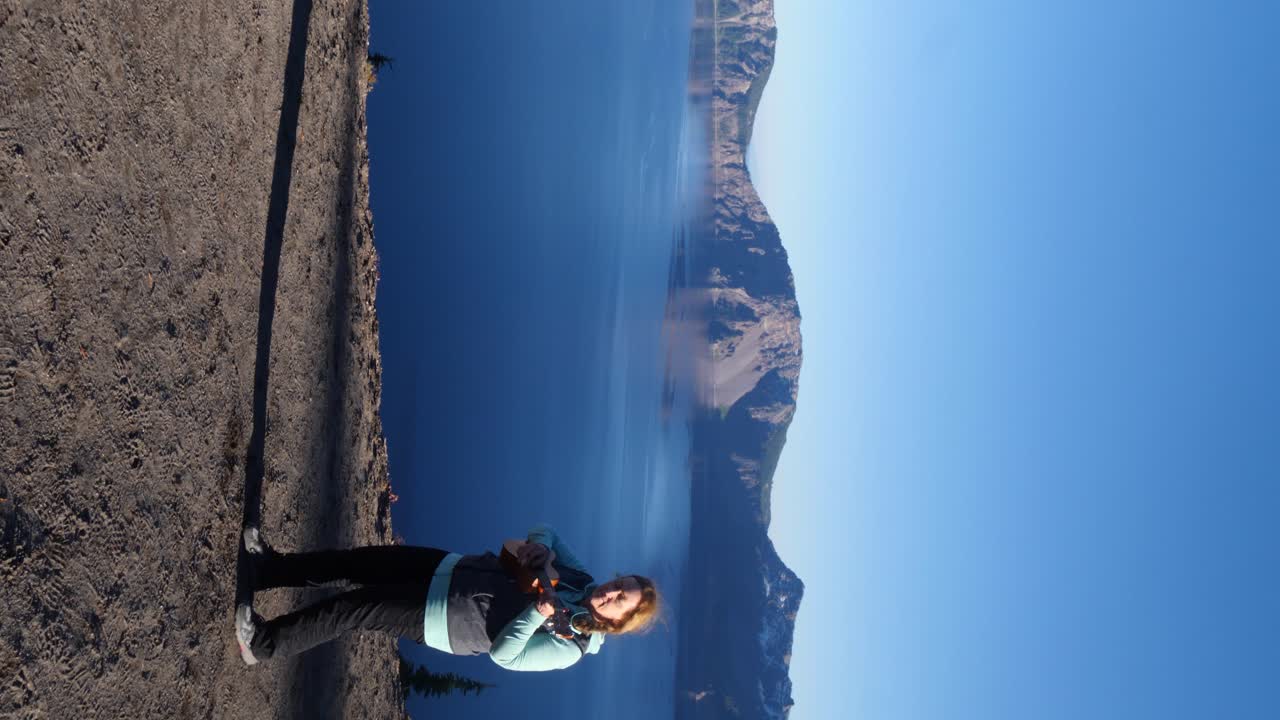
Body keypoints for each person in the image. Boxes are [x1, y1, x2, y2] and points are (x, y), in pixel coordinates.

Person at [234, 523, 661, 671]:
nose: (611, 592)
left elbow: (506, 657)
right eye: (620, 584)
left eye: (621, 599)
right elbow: (545, 529)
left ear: (619, 621)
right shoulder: (579, 576)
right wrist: (541, 548)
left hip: (444, 620)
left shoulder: (572, 648)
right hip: (450, 567)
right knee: (357, 562)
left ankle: (262, 644)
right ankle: (270, 569)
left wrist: (535, 615)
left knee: (355, 608)